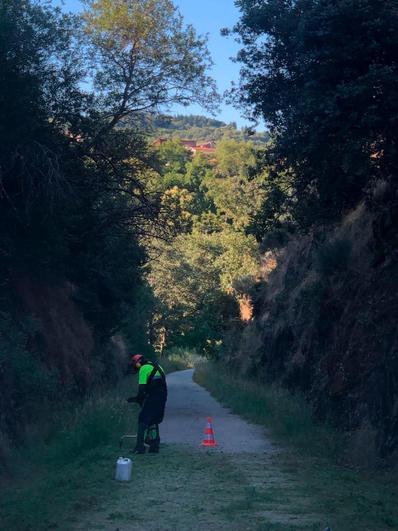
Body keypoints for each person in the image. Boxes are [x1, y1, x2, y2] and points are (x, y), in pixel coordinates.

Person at [127, 354, 167, 454]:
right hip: (163, 395)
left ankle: (139, 447)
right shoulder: (158, 366)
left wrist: (137, 399)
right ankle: (154, 445)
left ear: (138, 363)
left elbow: (142, 389)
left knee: (143, 419)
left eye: (135, 365)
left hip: (154, 395)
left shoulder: (143, 369)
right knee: (154, 419)